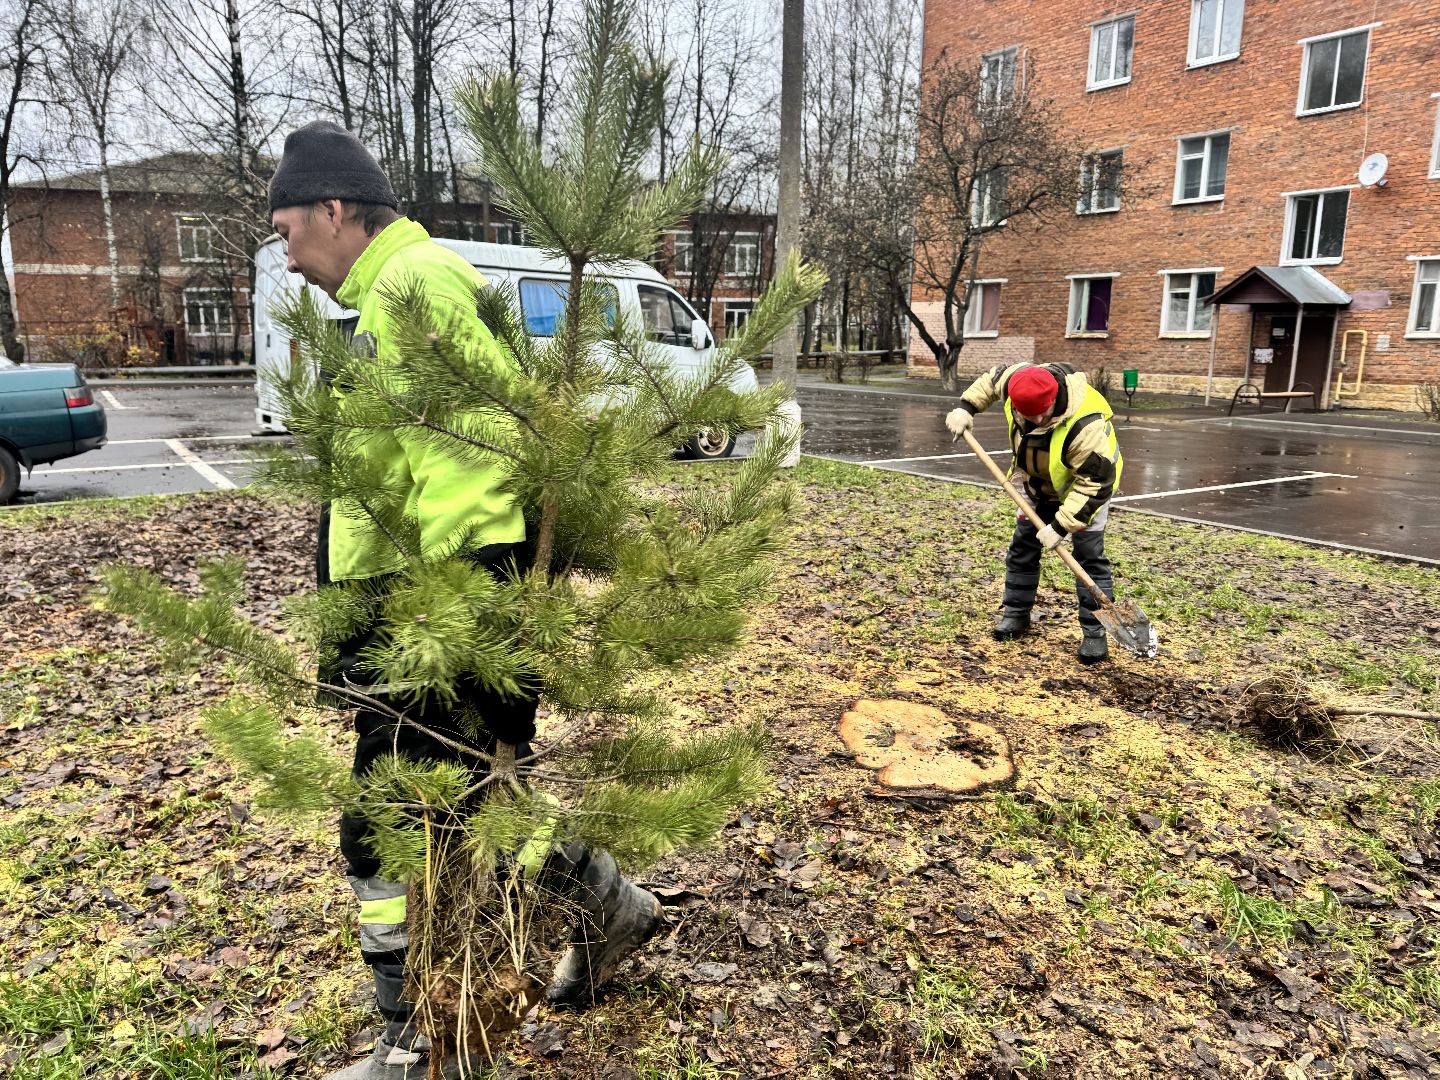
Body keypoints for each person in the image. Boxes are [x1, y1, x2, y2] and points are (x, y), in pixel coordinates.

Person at [268, 120, 662, 1080]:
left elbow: (475, 472)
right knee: (486, 795)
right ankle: (607, 905)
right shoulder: (386, 292)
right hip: (403, 606)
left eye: (285, 224)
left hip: (433, 612)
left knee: (392, 818)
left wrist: (440, 629)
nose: (281, 245)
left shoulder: (414, 285)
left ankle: (412, 1042)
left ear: (334, 209)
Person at [945, 362, 1123, 665]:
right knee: (1023, 547)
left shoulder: (1086, 425)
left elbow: (1095, 484)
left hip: (1087, 493)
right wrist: (966, 408)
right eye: (1029, 415)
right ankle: (1016, 613)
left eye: (1044, 412)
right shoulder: (1016, 381)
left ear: (1054, 397)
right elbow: (990, 382)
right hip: (1035, 485)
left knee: (1089, 558)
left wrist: (1061, 525)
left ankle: (1095, 633)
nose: (1038, 419)